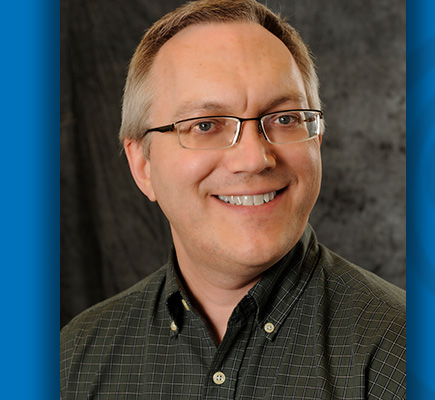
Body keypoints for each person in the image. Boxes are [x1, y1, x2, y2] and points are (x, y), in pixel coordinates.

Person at [59, 0, 406, 398]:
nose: (255, 158)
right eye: (205, 125)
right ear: (142, 164)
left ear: (317, 141)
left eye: (285, 119)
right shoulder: (75, 361)